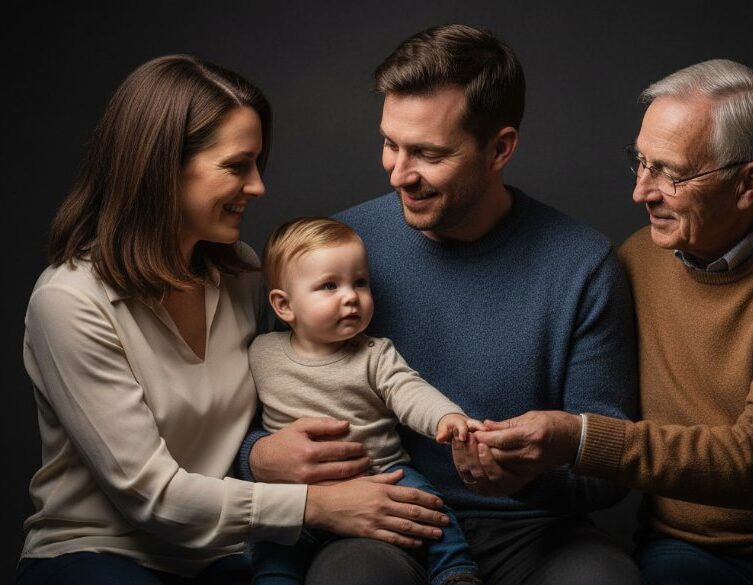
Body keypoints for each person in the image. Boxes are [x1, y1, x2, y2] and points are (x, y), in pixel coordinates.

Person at [18, 55, 450, 585]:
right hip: (100, 552)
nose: (258, 187)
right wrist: (316, 504)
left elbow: (278, 404)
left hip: (230, 550)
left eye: (258, 164)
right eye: (237, 165)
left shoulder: (244, 273)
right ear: (161, 168)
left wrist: (266, 455)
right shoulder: (69, 302)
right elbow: (149, 496)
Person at [242, 24, 641, 585]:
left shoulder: (582, 265)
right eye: (390, 143)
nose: (399, 174)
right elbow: (260, 399)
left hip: (535, 531)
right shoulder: (339, 249)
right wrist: (259, 458)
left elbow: (612, 465)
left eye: (428, 153)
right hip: (386, 518)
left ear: (499, 148)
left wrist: (524, 475)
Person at [472, 59, 753, 583]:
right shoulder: (633, 261)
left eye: (670, 172)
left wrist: (578, 439)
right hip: (690, 548)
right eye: (641, 163)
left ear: (749, 183)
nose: (641, 192)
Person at [249, 217, 483, 585]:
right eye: (329, 285)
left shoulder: (374, 354)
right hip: (297, 490)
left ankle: (455, 571)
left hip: (382, 473)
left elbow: (408, 391)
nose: (351, 296)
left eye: (359, 282)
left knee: (429, 507)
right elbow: (237, 417)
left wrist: (445, 417)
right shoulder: (261, 353)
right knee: (271, 547)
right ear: (284, 306)